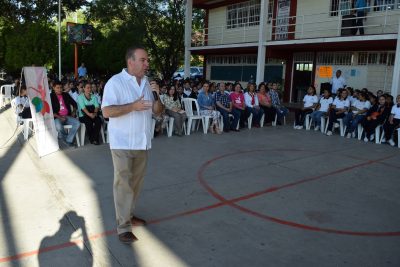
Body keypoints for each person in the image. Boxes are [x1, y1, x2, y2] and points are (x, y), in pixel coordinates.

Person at [101, 46, 163, 243]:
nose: (147, 63)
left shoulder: (147, 83)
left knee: (135, 184)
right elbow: (107, 111)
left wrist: (157, 96)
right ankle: (123, 227)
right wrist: (132, 107)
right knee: (123, 184)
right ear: (131, 62)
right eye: (143, 60)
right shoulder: (115, 82)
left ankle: (128, 214)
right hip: (122, 142)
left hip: (142, 142)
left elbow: (158, 111)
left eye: (147, 60)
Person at [50, 80, 80, 147]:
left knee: (77, 123)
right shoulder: (51, 96)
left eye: (61, 87)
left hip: (67, 116)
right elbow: (50, 111)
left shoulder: (66, 95)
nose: (60, 89)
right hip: (57, 117)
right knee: (58, 126)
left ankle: (68, 140)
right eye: (57, 88)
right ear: (54, 88)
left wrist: (73, 112)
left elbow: (75, 104)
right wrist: (60, 117)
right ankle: (66, 139)